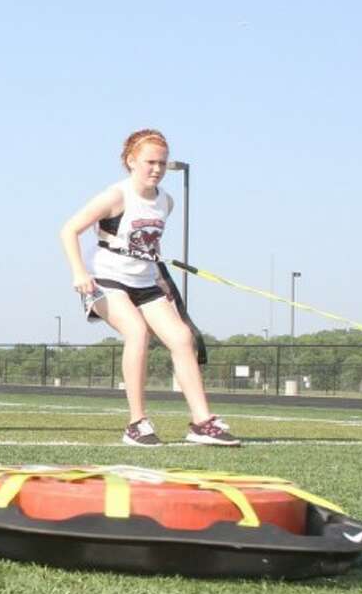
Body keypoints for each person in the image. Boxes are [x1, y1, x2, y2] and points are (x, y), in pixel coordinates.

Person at [59, 129, 239, 447]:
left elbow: (148, 248)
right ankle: (137, 423)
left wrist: (162, 281)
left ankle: (202, 422)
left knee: (182, 339)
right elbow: (69, 230)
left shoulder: (165, 202)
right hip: (105, 277)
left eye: (162, 163)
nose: (156, 169)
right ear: (131, 161)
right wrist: (79, 273)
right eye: (150, 162)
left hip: (145, 281)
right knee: (137, 332)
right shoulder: (116, 195)